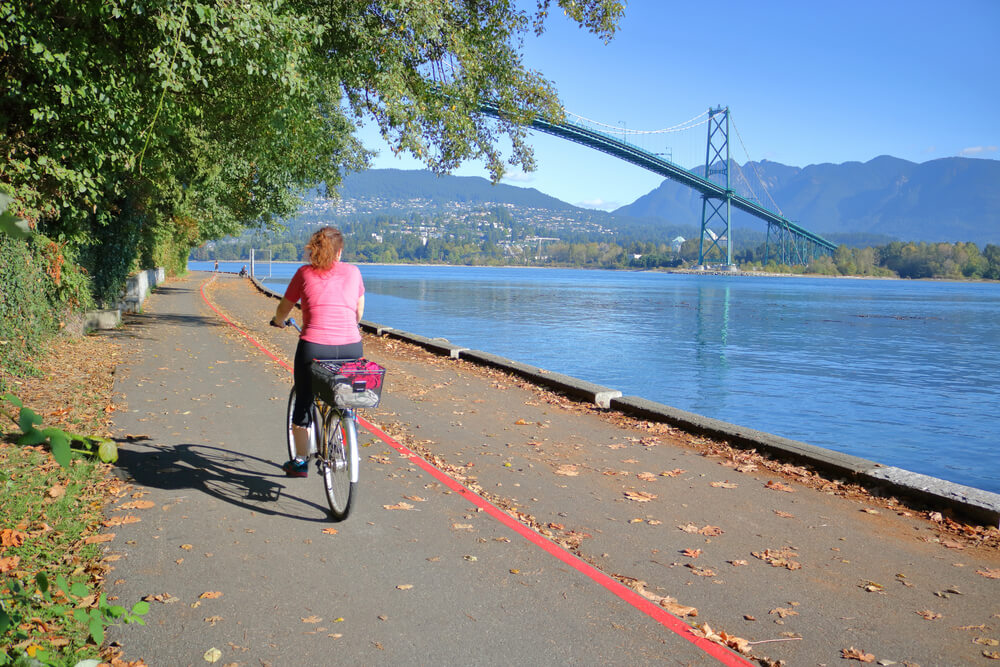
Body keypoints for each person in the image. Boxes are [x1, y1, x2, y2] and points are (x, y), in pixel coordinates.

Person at [270, 227, 365, 477]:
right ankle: (346, 428)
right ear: (339, 252)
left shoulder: (303, 273)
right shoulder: (354, 272)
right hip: (351, 346)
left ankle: (300, 461)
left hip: (314, 346)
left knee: (303, 401)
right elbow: (358, 313)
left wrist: (279, 321)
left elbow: (284, 308)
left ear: (314, 249)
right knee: (347, 398)